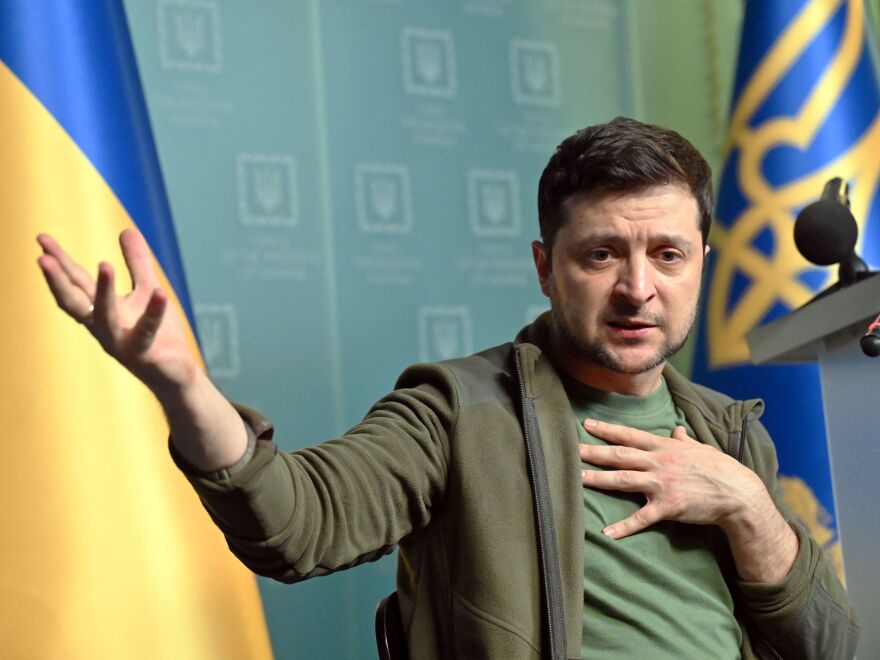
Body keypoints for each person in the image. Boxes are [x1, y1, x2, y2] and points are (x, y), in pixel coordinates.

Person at [37, 117, 858, 659]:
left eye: (668, 256)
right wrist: (184, 388)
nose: (638, 288)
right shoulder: (459, 411)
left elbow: (835, 648)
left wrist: (749, 504)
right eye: (602, 254)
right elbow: (298, 524)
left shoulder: (728, 433)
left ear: (701, 266)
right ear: (546, 267)